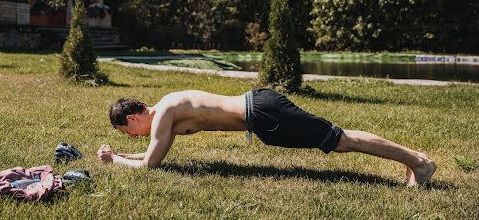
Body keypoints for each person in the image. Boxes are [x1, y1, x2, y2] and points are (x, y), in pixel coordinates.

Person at [97, 89, 437, 186]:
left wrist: (115, 161)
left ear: (133, 117)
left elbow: (150, 166)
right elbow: (151, 158)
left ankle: (419, 163)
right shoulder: (167, 113)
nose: (132, 138)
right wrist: (122, 158)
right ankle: (413, 159)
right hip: (260, 114)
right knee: (336, 140)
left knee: (339, 140)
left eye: (128, 133)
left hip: (262, 113)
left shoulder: (164, 114)